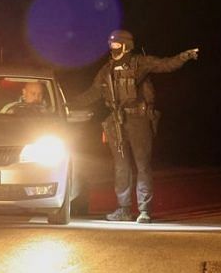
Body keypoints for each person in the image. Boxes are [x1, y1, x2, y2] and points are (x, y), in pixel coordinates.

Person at [71, 29, 198, 223]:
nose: (112, 48)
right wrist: (66, 104)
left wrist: (184, 56)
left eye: (116, 45)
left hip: (139, 120)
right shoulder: (107, 70)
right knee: (121, 167)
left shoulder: (140, 63)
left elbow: (165, 64)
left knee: (142, 166)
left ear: (126, 46)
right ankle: (123, 209)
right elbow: (93, 93)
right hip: (117, 123)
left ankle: (144, 210)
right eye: (111, 45)